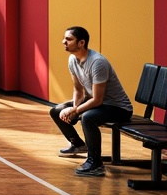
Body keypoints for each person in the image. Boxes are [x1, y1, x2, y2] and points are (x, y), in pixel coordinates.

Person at [49, 26, 132, 177]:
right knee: (56, 110)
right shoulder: (72, 59)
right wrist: (74, 108)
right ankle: (78, 145)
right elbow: (78, 91)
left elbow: (97, 99)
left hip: (118, 108)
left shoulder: (97, 62)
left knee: (88, 117)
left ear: (81, 43)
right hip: (97, 102)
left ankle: (95, 163)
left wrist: (75, 111)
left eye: (68, 39)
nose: (63, 42)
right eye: (64, 38)